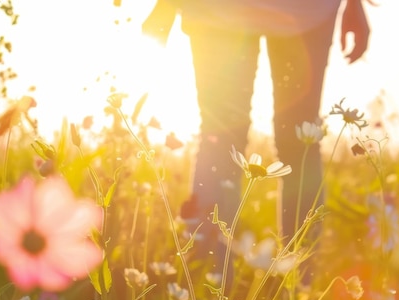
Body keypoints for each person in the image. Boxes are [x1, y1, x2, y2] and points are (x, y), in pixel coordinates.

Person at [143, 0, 371, 274]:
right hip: (300, 12)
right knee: (298, 141)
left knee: (226, 139)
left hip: (232, 12)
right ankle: (294, 286)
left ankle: (211, 279)